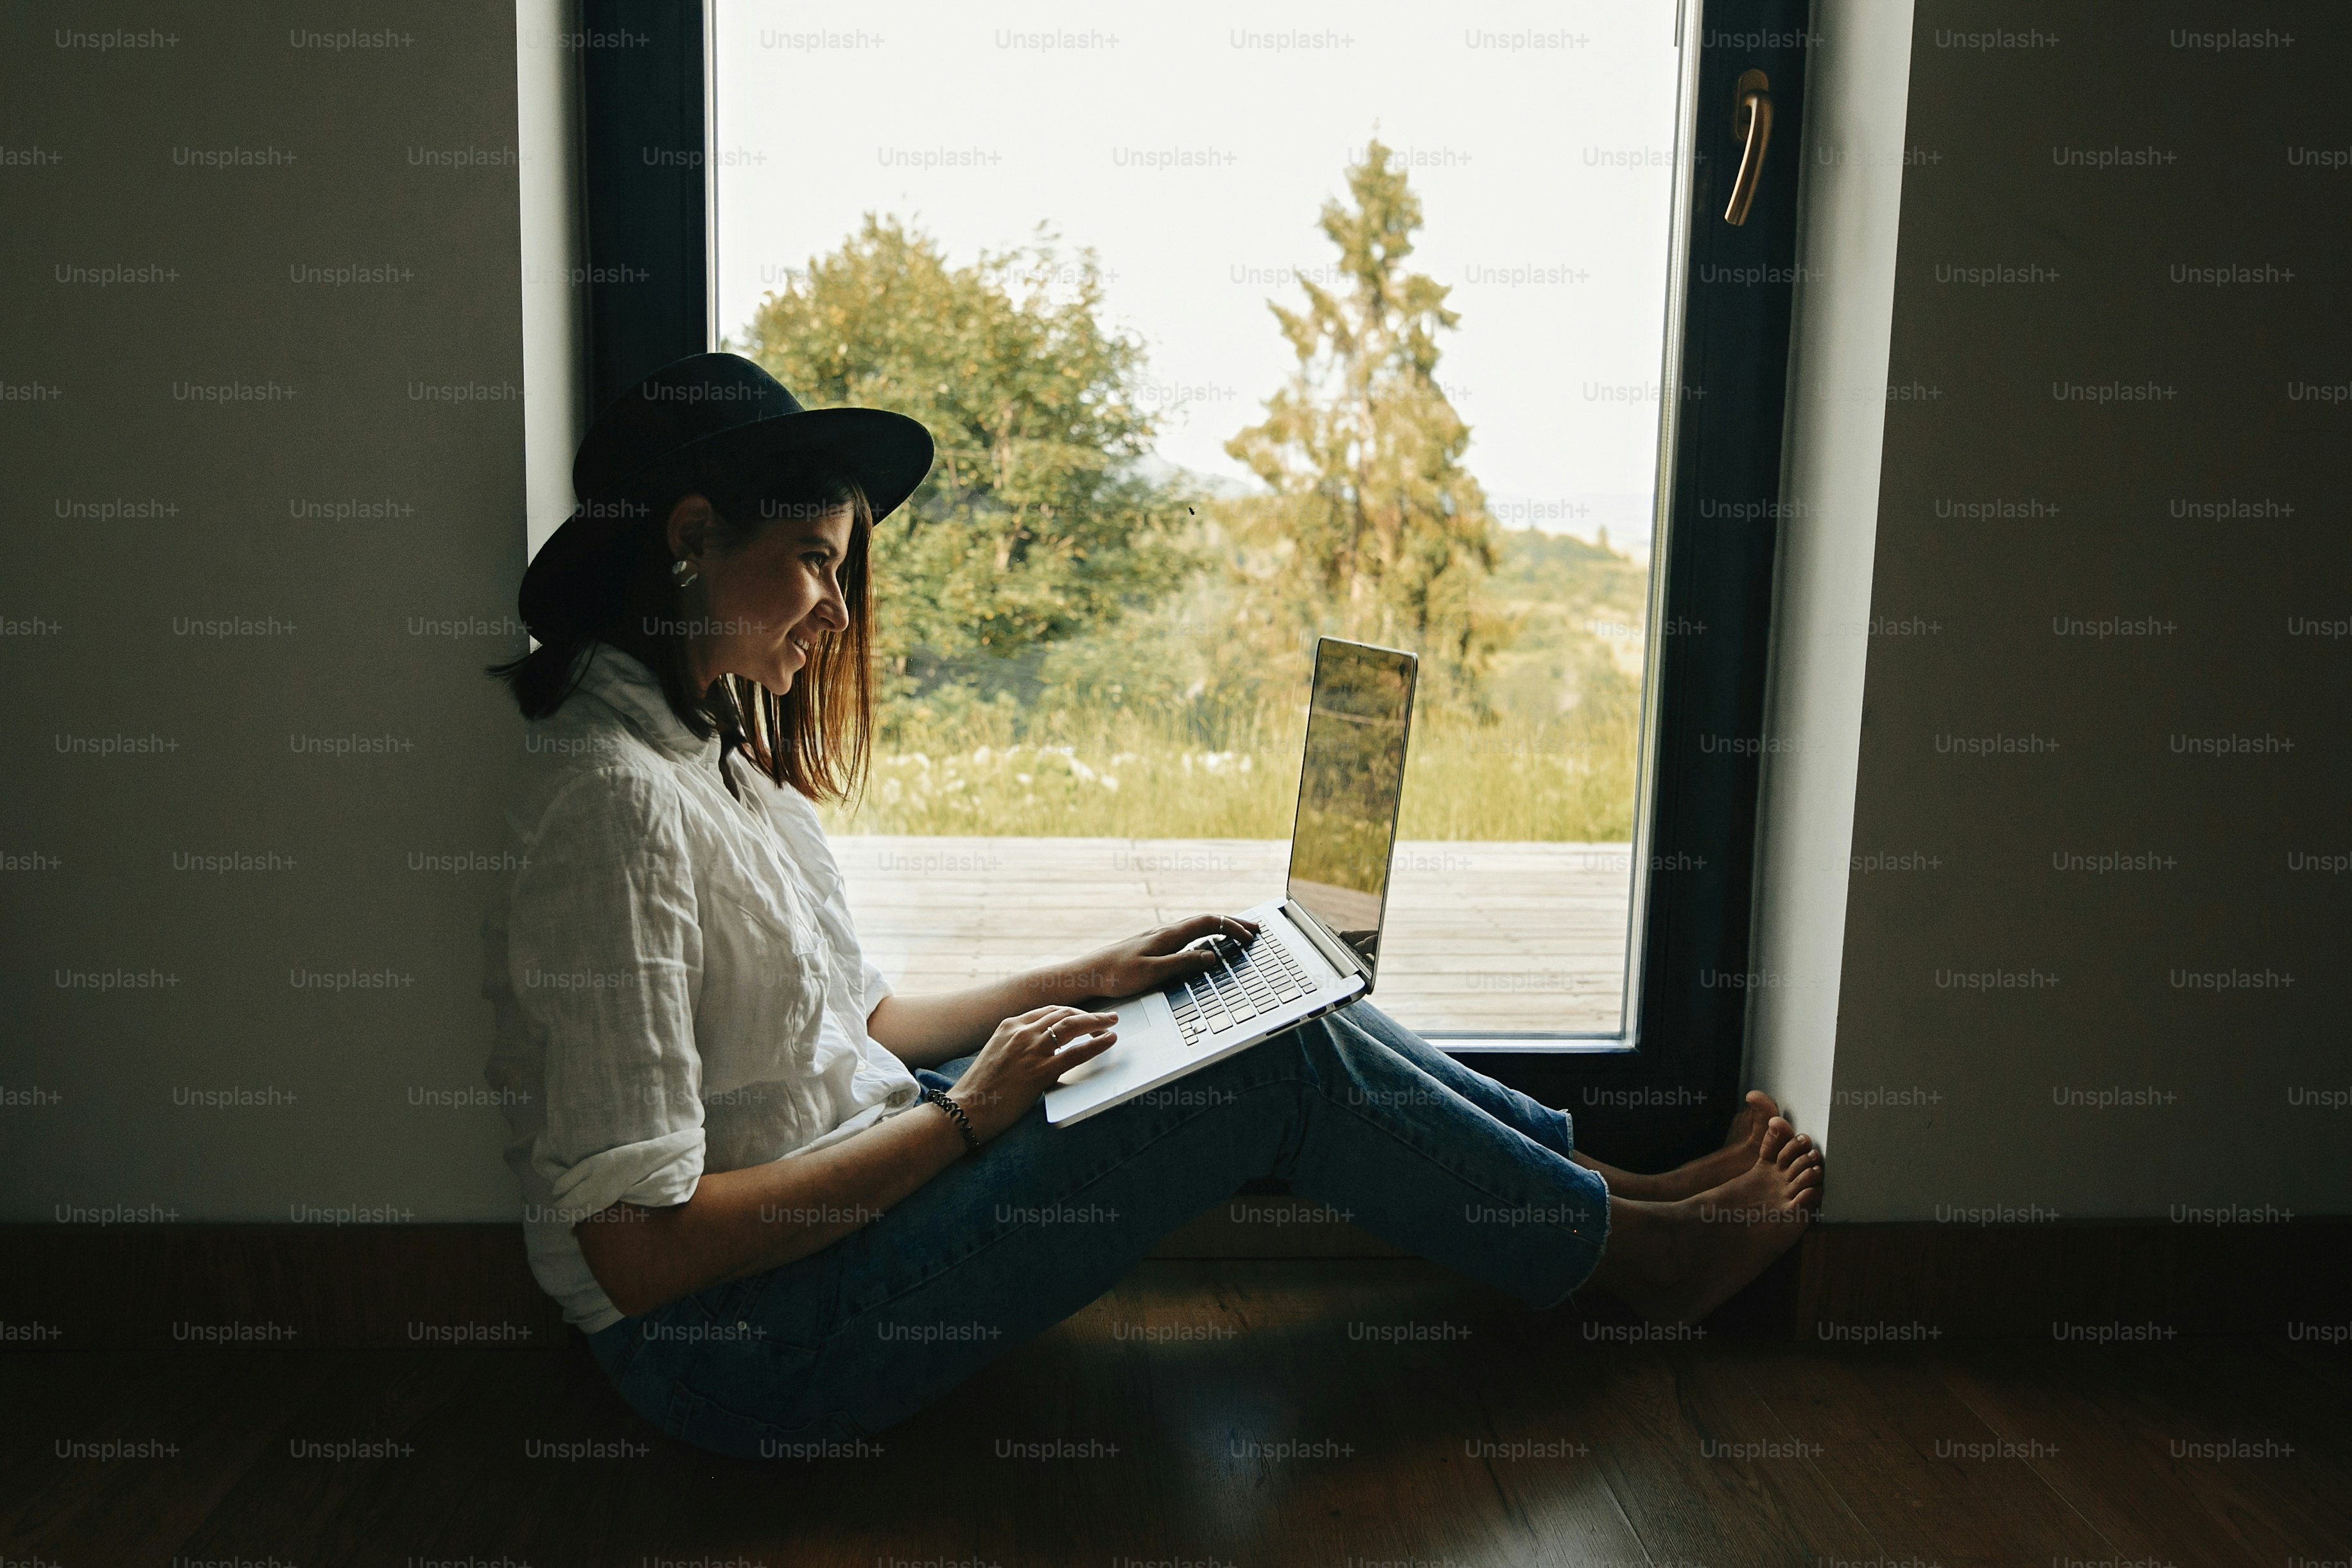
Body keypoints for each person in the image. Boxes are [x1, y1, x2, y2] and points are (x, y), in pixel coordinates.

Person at [482, 353, 1822, 1461]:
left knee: (1245, 988)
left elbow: (870, 1019)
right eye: (815, 563)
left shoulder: (712, 757)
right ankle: (1646, 1264)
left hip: (849, 1200)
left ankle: (1614, 1192)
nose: (835, 610)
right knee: (1269, 1060)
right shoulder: (614, 806)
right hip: (739, 1354)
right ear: (689, 540)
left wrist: (1099, 971)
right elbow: (643, 1255)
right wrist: (967, 1116)